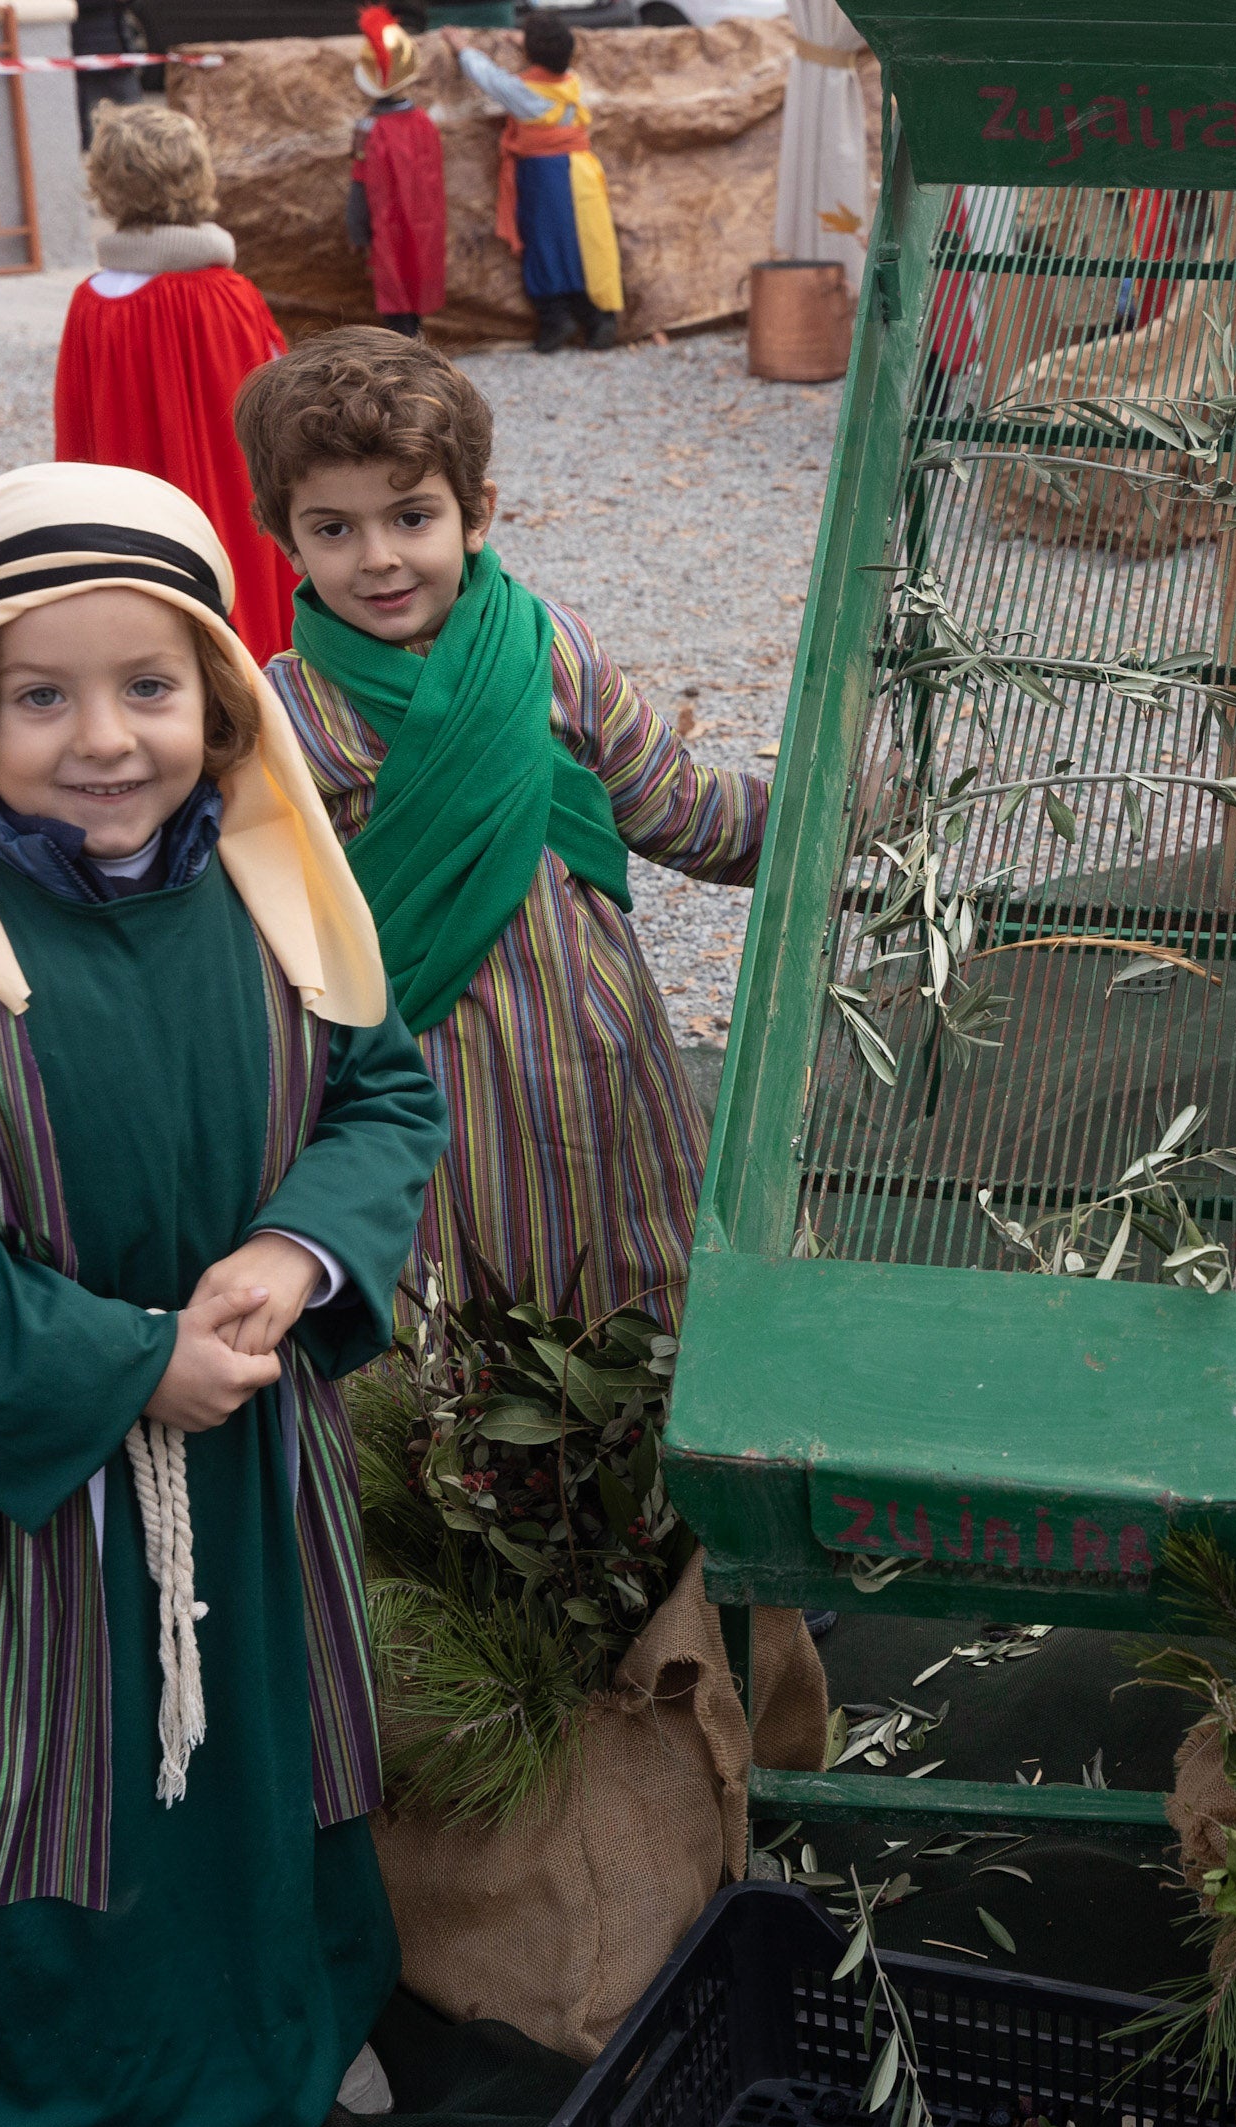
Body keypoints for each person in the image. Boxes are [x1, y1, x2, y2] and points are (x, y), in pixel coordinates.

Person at [0, 463, 446, 2127]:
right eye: (44, 696)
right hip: (48, 1464)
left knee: (276, 1723)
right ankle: (46, 2106)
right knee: (64, 1760)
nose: (105, 740)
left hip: (252, 1413)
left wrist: (290, 1255)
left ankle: (284, 2026)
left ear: (221, 698)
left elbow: (382, 1093)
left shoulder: (270, 892)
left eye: (149, 688)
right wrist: (122, 1362)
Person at [233, 326, 761, 1330]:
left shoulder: (546, 651)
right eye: (333, 528)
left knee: (632, 1314)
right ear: (283, 536)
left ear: (476, 513)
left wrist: (833, 814)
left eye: (411, 515)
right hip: (420, 1079)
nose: (379, 556)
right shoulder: (280, 721)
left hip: (592, 1051)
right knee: (457, 1344)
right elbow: (250, 934)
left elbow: (675, 807)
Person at [54, 104, 303, 662]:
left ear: (104, 187)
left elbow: (76, 439)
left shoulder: (91, 305)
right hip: (232, 518)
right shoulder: (229, 295)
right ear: (200, 178)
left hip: (134, 528)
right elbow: (280, 416)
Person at [459, 17, 623, 353]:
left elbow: (490, 79)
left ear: (535, 57)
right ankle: (598, 319)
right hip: (581, 168)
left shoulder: (527, 94)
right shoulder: (570, 81)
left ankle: (555, 319)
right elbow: (549, 60)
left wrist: (462, 48)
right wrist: (529, 43)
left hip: (545, 173)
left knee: (546, 244)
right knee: (587, 245)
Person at [345, 6, 448, 340]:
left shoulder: (369, 129)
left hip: (387, 230)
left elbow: (360, 184)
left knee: (395, 291)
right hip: (424, 225)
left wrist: (357, 230)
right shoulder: (424, 123)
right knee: (416, 281)